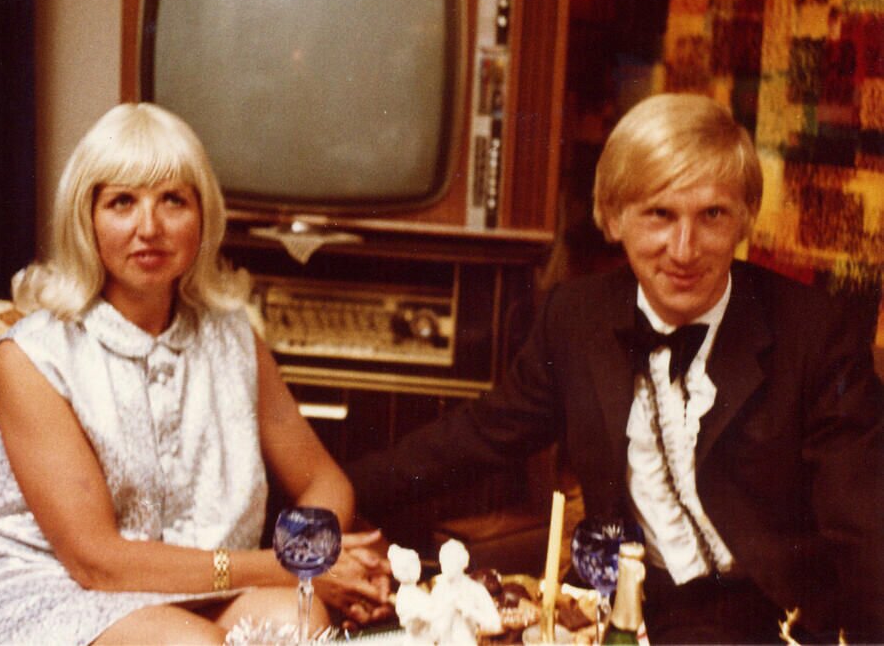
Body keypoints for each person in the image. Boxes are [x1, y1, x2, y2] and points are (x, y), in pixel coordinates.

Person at [348, 93, 884, 643]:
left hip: (764, 621)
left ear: (745, 218)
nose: (684, 249)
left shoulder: (813, 333)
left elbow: (865, 526)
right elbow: (478, 436)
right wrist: (336, 499)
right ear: (614, 217)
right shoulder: (576, 316)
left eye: (712, 215)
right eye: (660, 214)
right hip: (619, 610)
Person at [0, 102, 391, 644]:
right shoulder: (30, 356)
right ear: (86, 219)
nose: (150, 227)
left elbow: (322, 480)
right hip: (44, 583)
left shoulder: (234, 338)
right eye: (122, 201)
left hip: (195, 586)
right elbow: (97, 563)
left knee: (300, 621)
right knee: (193, 644)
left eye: (173, 200)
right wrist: (289, 567)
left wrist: (310, 552)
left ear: (202, 217)